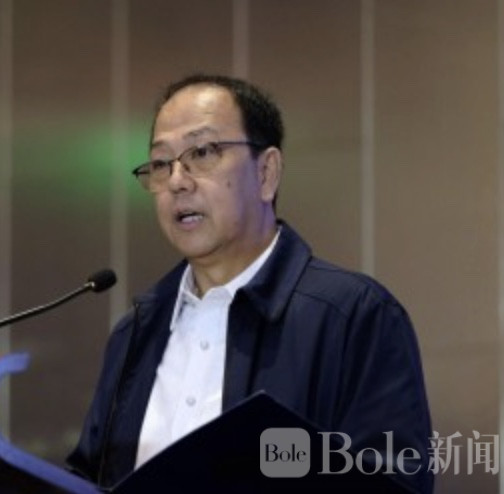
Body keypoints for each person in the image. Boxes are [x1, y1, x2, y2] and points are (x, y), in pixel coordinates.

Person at [67, 74, 432, 492]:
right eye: (162, 163)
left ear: (266, 173)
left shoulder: (354, 316)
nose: (177, 181)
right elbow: (88, 478)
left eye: (202, 152)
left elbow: (393, 479)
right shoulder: (134, 334)